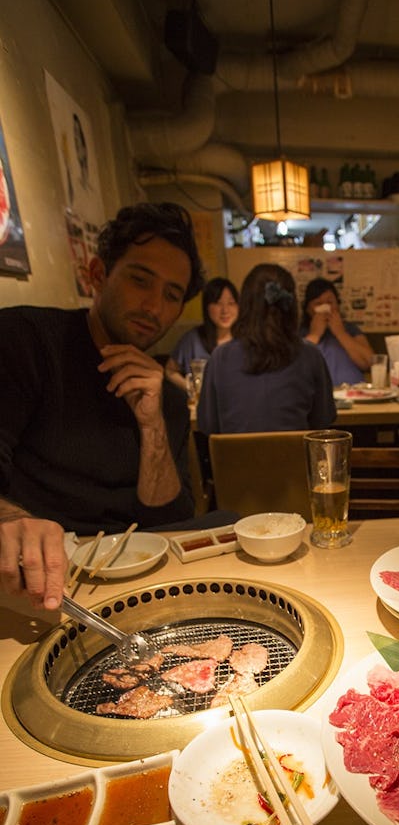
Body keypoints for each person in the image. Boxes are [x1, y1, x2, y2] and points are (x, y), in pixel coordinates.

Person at [0, 201, 205, 613]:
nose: (153, 306)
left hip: (140, 583)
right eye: (140, 280)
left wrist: (152, 423)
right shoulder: (26, 342)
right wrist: (9, 521)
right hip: (37, 586)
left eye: (171, 295)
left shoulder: (166, 396)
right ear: (97, 274)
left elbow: (167, 517)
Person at [197, 263, 337, 434]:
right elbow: (323, 420)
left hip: (235, 460)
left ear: (245, 305)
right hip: (295, 459)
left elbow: (207, 425)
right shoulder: (310, 355)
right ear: (291, 305)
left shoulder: (220, 357)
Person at [301, 277, 374, 385]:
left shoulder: (350, 329)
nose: (325, 307)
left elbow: (369, 363)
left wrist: (340, 332)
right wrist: (315, 334)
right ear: (308, 309)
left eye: (330, 302)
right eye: (318, 303)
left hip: (354, 393)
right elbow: (294, 367)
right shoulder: (299, 333)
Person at [170, 276, 239, 379]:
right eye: (218, 303)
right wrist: (191, 389)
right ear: (207, 307)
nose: (225, 310)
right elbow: (170, 370)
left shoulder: (247, 339)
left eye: (231, 303)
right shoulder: (193, 339)